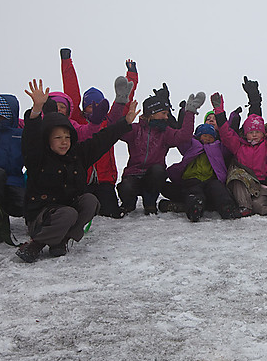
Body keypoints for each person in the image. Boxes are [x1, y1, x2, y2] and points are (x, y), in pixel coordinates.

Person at [16, 79, 138, 263]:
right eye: (58, 137)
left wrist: (124, 123)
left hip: (65, 213)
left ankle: (61, 239)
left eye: (67, 137)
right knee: (69, 213)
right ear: (48, 140)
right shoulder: (37, 157)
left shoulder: (76, 155)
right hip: (41, 218)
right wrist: (36, 111)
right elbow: (30, 139)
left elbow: (101, 140)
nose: (64, 141)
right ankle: (36, 244)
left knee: (90, 201)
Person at [60, 49, 139, 218]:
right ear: (83, 107)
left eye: (98, 104)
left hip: (104, 181)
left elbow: (122, 102)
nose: (94, 108)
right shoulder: (77, 123)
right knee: (81, 212)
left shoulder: (108, 122)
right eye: (90, 105)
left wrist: (132, 75)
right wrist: (66, 62)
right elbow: (71, 91)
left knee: (111, 213)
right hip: (82, 180)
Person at [117, 84, 205, 215]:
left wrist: (190, 112)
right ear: (152, 113)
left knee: (158, 171)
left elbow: (184, 136)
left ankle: (150, 203)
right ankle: (128, 204)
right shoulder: (136, 130)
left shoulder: (165, 133)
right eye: (163, 113)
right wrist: (120, 104)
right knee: (126, 186)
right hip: (133, 174)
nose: (166, 117)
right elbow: (114, 131)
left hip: (153, 177)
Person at [211, 88, 267, 216]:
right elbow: (226, 134)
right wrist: (219, 112)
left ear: (263, 133)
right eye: (251, 132)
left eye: (257, 132)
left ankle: (250, 204)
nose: (254, 135)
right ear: (246, 134)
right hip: (244, 184)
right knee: (236, 177)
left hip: (261, 185)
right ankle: (244, 207)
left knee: (260, 209)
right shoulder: (239, 146)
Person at [164, 123, 238, 221]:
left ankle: (227, 207)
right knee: (194, 192)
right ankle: (195, 208)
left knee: (218, 189)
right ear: (198, 136)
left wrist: (233, 121)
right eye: (205, 136)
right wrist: (183, 113)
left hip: (210, 180)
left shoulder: (217, 147)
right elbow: (182, 138)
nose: (207, 138)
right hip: (192, 180)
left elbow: (228, 143)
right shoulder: (191, 145)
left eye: (210, 137)